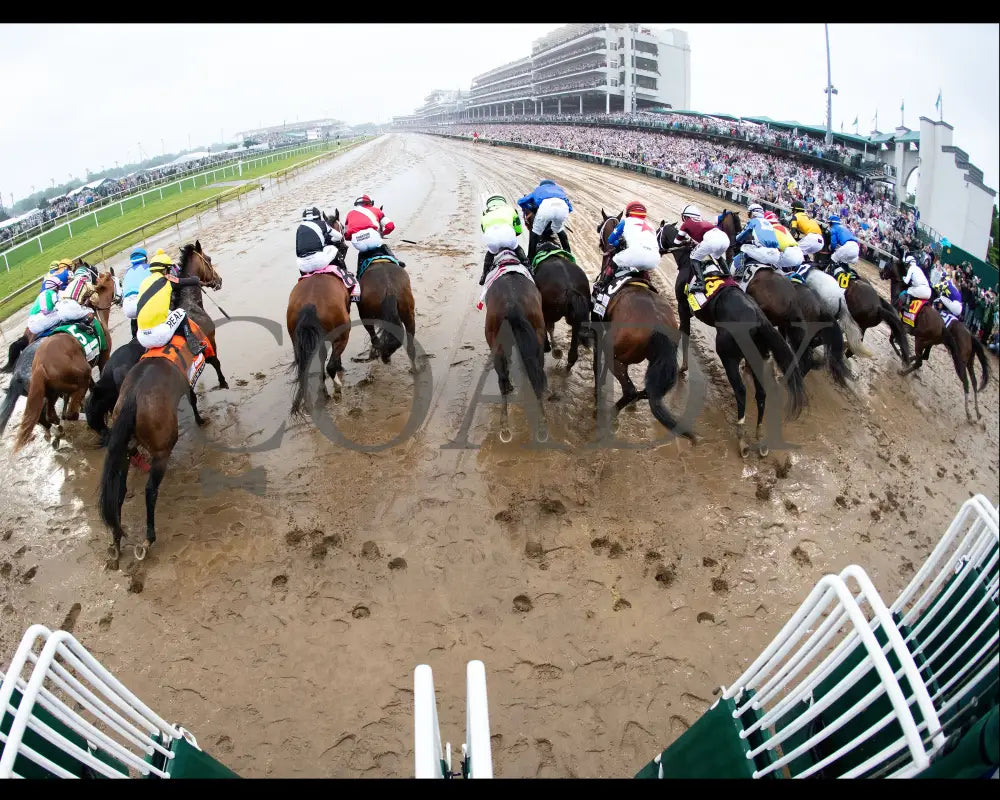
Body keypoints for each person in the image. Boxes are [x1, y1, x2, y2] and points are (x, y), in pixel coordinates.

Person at [591, 201, 659, 321]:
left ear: (628, 213)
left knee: (615, 260)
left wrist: (619, 243)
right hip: (654, 259)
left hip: (634, 254)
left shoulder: (625, 221)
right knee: (642, 267)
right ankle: (648, 284)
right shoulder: (651, 226)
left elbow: (611, 240)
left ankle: (602, 284)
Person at [135, 250, 206, 355]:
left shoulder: (144, 282)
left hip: (141, 338)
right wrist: (196, 279)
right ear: (165, 270)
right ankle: (194, 346)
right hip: (159, 336)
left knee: (168, 311)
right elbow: (187, 281)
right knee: (181, 312)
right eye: (169, 269)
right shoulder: (168, 280)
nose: (170, 271)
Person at [671, 203, 730, 294]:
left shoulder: (686, 224)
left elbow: (676, 242)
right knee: (717, 256)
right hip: (724, 238)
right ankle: (728, 275)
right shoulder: (703, 221)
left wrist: (685, 242)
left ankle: (700, 283)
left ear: (686, 216)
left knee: (694, 257)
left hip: (712, 240)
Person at [516, 179, 573, 263]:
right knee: (559, 230)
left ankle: (530, 259)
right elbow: (570, 208)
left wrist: (531, 208)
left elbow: (520, 202)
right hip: (562, 208)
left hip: (546, 208)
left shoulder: (538, 190)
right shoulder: (560, 190)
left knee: (535, 231)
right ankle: (568, 253)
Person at [343, 194, 405, 269]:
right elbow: (390, 226)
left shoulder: (350, 214)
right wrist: (382, 234)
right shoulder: (376, 210)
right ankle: (396, 260)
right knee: (383, 246)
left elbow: (346, 236)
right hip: (373, 237)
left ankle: (358, 274)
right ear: (370, 203)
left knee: (362, 253)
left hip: (357, 240)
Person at [479, 195, 529, 285]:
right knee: (517, 248)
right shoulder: (510, 209)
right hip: (508, 235)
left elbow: (484, 230)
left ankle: (484, 275)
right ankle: (528, 266)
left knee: (490, 253)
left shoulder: (485, 213)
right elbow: (519, 230)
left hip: (491, 236)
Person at [731, 202, 781, 277]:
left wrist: (735, 238)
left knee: (743, 248)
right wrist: (752, 241)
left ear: (753, 213)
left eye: (749, 214)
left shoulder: (753, 221)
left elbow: (740, 237)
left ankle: (739, 273)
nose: (749, 216)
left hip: (763, 253)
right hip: (776, 255)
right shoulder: (769, 223)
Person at [296, 207, 348, 274]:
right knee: (333, 248)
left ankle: (303, 277)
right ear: (318, 216)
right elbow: (339, 236)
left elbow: (298, 251)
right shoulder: (322, 224)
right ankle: (345, 274)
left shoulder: (299, 228)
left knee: (300, 259)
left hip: (303, 266)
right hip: (318, 262)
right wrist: (332, 239)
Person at [121, 248, 151, 338]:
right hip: (141, 304)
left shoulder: (126, 272)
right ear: (145, 259)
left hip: (127, 308)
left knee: (134, 317)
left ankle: (134, 336)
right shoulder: (149, 268)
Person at [896, 244, 932, 311]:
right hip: (928, 292)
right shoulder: (918, 269)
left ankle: (906, 306)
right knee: (914, 290)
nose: (907, 267)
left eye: (907, 265)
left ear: (909, 263)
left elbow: (906, 281)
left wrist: (903, 277)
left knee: (909, 290)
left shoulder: (911, 268)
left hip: (922, 290)